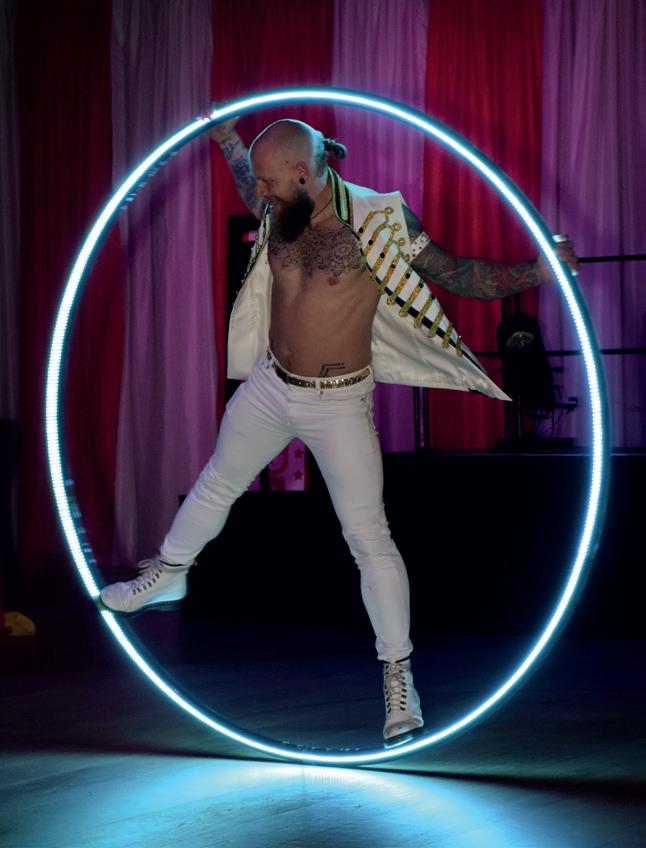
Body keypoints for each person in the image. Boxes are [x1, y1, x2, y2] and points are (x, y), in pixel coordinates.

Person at [100, 117, 578, 746]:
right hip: (270, 386)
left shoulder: (380, 221)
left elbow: (457, 273)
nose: (259, 193)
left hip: (339, 401)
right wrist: (229, 141)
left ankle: (399, 678)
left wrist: (538, 272)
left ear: (303, 174)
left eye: (270, 182)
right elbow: (249, 181)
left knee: (369, 539)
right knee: (217, 483)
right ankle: (170, 572)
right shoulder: (281, 206)